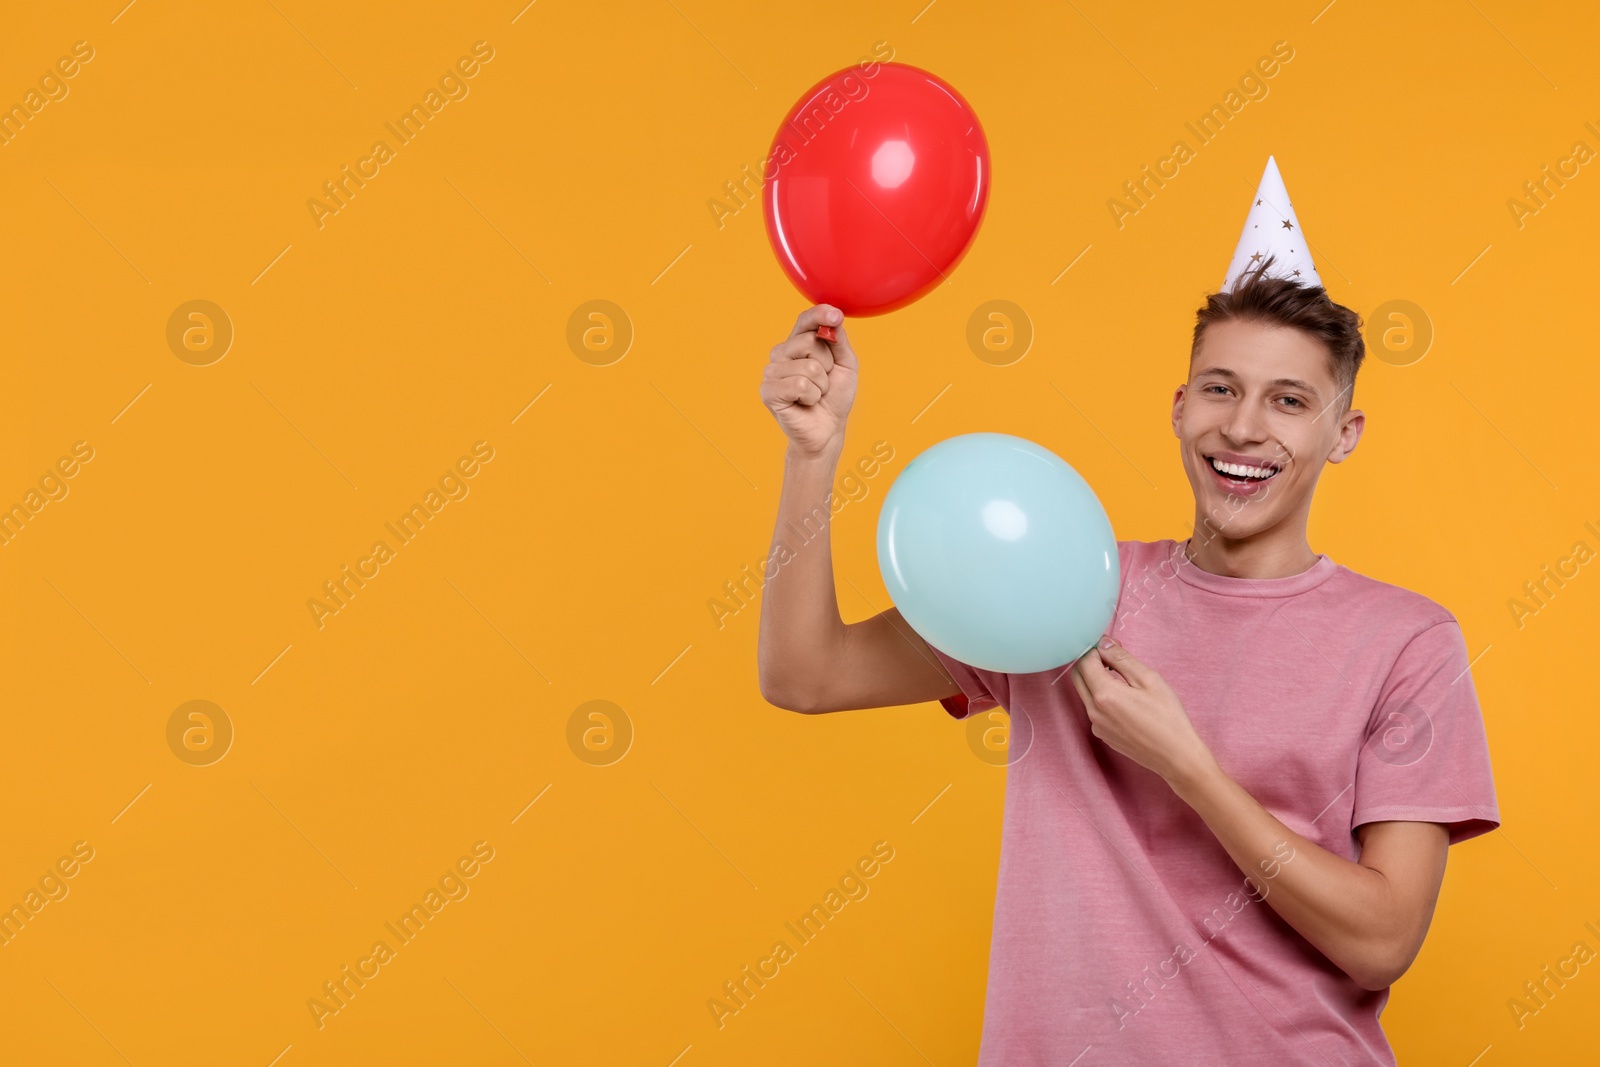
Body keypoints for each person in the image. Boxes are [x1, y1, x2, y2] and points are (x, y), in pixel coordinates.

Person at [755, 254, 1501, 1064]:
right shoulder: (1060, 586)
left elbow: (1383, 940)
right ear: (1180, 409)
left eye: (1289, 401)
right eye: (1220, 388)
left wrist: (1188, 766)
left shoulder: (1407, 640)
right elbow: (807, 673)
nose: (1245, 427)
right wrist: (812, 454)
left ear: (1342, 433)